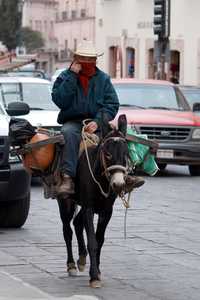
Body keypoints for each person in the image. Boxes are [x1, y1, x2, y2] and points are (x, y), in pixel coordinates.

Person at [52, 40, 144, 197]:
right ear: (75, 58)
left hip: (98, 121)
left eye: (90, 59)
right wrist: (72, 76)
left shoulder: (103, 79)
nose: (87, 62)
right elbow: (60, 100)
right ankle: (67, 178)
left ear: (95, 60)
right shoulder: (64, 77)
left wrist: (97, 122)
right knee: (68, 134)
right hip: (73, 122)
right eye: (83, 58)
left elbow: (112, 104)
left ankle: (126, 174)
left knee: (117, 140)